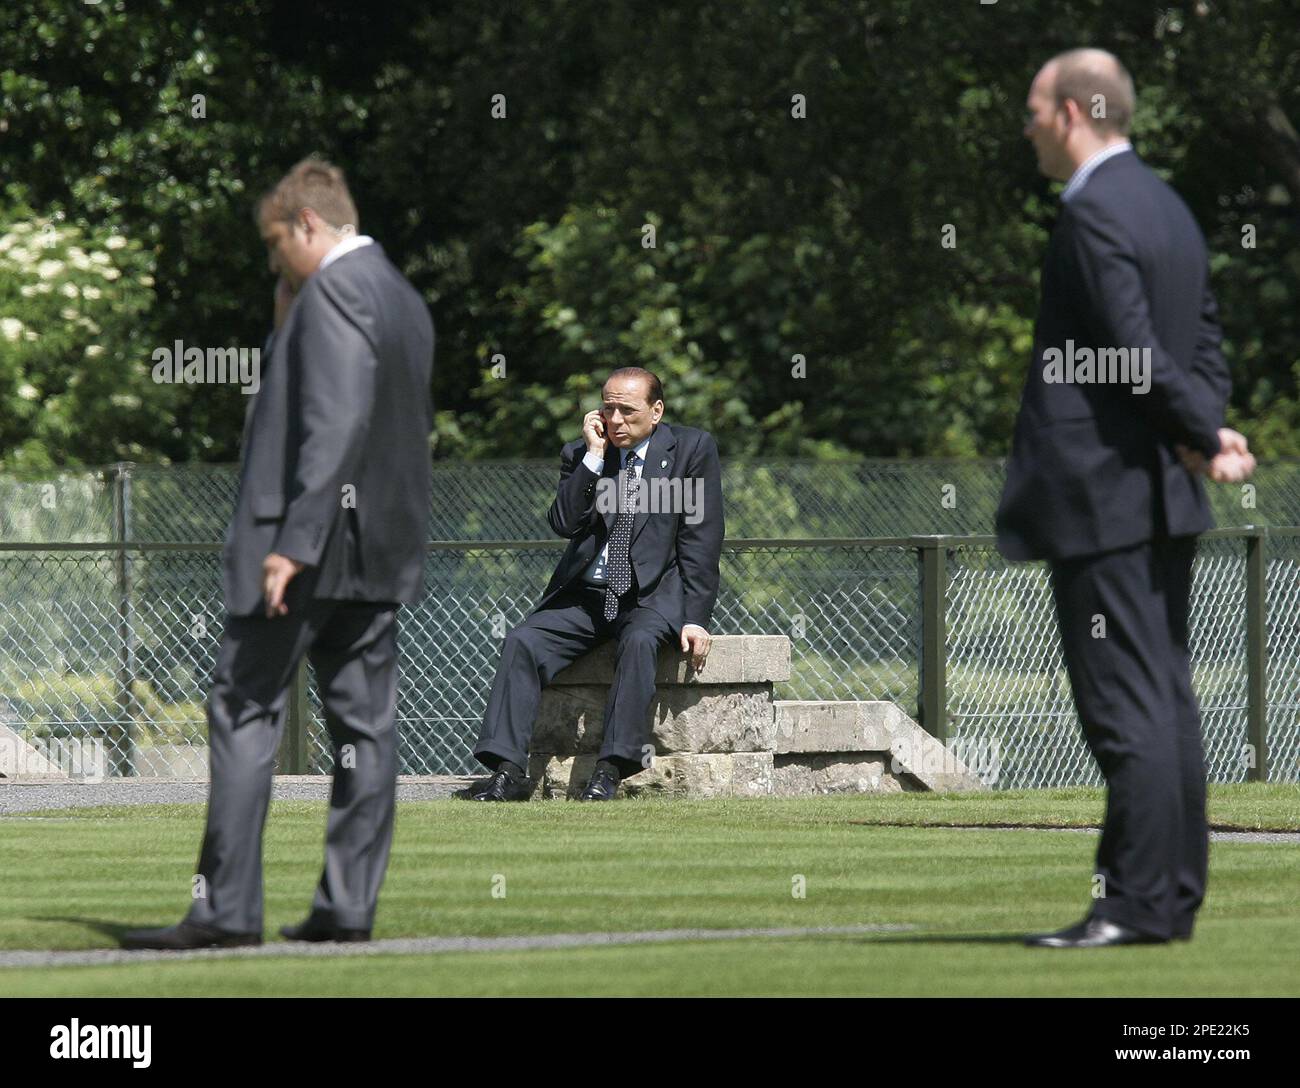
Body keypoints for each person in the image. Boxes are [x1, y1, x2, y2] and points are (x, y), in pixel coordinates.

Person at [122, 158, 434, 949]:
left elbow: (333, 425)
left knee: (241, 708)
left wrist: (292, 544)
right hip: (375, 556)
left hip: (310, 548)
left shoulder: (331, 291)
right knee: (365, 730)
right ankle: (346, 907)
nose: (273, 263)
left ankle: (224, 910)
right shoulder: (401, 297)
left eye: (274, 246)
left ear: (306, 225)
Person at [997, 49, 1255, 949]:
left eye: (1032, 110)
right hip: (1159, 495)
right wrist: (1203, 428)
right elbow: (1203, 341)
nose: (1025, 126)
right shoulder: (1168, 207)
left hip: (1104, 497)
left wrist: (1201, 430)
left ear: (1071, 111)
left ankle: (1134, 905)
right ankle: (1169, 898)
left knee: (1124, 709)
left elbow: (1132, 350)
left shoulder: (1094, 210)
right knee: (1165, 702)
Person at [467, 368, 724, 801]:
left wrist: (696, 617)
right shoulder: (585, 454)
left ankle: (609, 771)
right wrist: (592, 457)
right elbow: (565, 523)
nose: (616, 418)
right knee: (523, 641)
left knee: (640, 641)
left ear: (656, 411)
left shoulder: (690, 450)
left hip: (650, 597)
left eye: (628, 409)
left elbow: (701, 538)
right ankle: (508, 772)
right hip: (588, 596)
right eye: (608, 407)